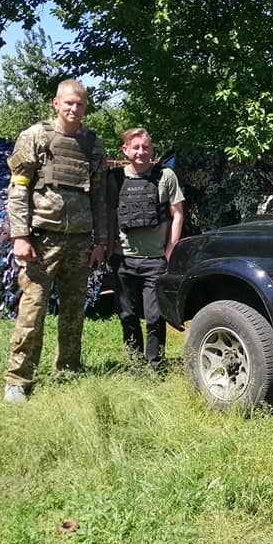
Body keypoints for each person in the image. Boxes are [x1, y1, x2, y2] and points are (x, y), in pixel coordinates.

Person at [3, 79, 109, 402]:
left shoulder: (94, 145)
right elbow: (18, 188)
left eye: (80, 103)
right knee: (32, 310)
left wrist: (101, 242)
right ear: (55, 103)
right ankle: (18, 379)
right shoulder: (35, 137)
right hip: (41, 241)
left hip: (80, 242)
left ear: (85, 106)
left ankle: (69, 367)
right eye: (68, 103)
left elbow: (101, 198)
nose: (74, 108)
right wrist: (20, 235)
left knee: (74, 310)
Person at [107, 128, 185, 369]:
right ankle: (135, 362)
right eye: (136, 147)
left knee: (154, 316)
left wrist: (170, 250)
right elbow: (110, 216)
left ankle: (155, 364)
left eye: (146, 147)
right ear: (126, 150)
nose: (141, 152)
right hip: (124, 259)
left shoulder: (165, 176)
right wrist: (108, 248)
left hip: (155, 260)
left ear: (152, 150)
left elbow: (178, 214)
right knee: (127, 316)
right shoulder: (115, 179)